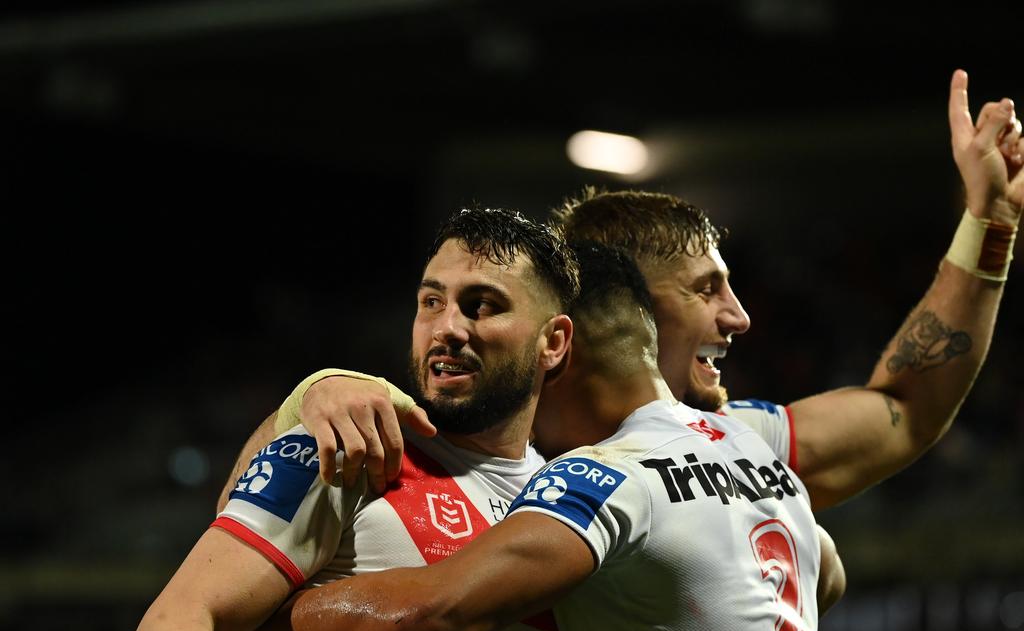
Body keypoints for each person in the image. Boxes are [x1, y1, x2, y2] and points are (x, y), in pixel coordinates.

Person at [280, 70, 1020, 516]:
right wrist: (313, 393)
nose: (740, 317)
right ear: (630, 306)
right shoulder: (474, 441)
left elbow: (904, 409)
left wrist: (990, 224)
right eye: (708, 290)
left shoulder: (736, 447)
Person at [240, 241, 832, 631]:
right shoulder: (749, 445)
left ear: (557, 355)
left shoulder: (601, 474)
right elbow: (827, 575)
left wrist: (261, 620)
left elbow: (433, 615)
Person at [127, 207, 584, 631]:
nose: (447, 328)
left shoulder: (571, 506)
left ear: (554, 342)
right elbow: (170, 630)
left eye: (482, 306)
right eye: (431, 302)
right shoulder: (351, 446)